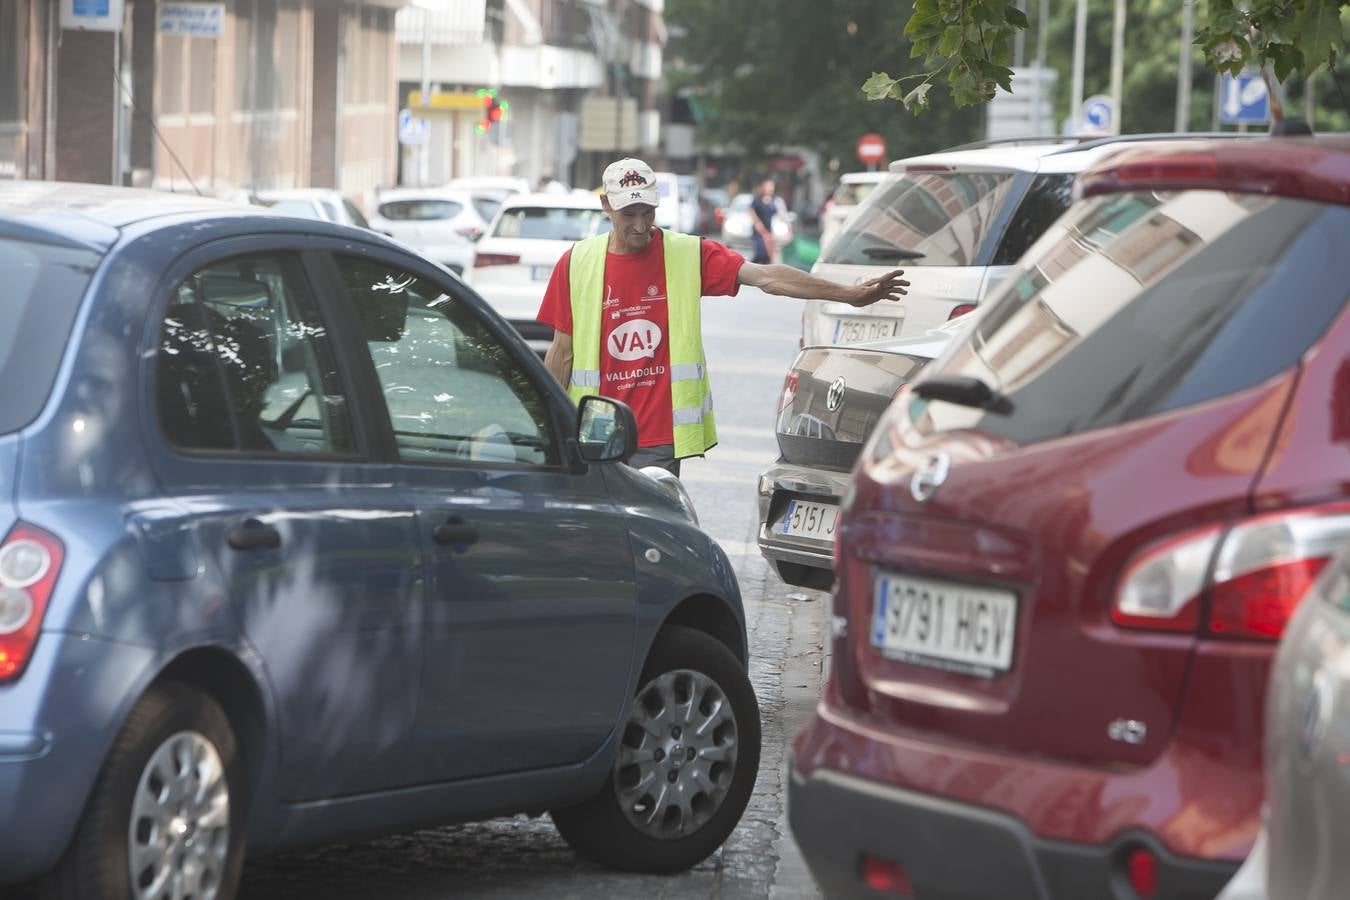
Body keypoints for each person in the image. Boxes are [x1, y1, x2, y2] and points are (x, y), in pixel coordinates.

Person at [536, 157, 908, 476]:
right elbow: (561, 354)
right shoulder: (577, 263)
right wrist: (550, 428)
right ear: (605, 205)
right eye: (627, 214)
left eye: (647, 213)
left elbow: (767, 277)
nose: (639, 226)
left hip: (659, 437)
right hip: (596, 433)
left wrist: (849, 294)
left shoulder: (685, 254)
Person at [750, 178, 780, 264]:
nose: (770, 188)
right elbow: (751, 211)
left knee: (768, 255)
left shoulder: (774, 200)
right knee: (761, 253)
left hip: (769, 230)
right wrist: (757, 223)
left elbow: (779, 213)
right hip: (759, 231)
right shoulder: (757, 199)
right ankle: (749, 267)